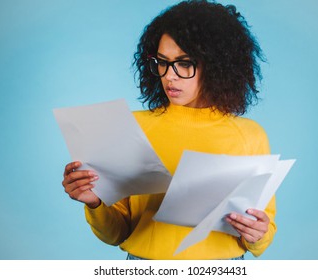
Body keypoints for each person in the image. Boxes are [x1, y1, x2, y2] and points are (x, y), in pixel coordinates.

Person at [62, 0, 276, 260]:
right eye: (162, 62)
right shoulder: (132, 127)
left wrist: (258, 232)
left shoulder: (250, 135)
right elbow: (115, 234)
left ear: (217, 66)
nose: (169, 76)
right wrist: (94, 203)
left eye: (184, 63)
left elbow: (262, 235)